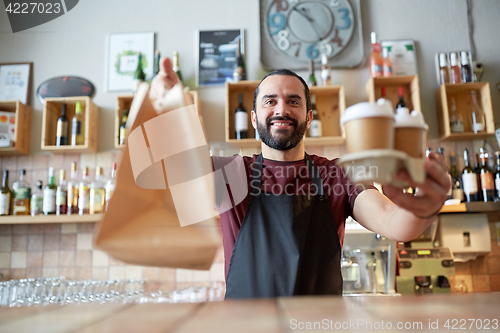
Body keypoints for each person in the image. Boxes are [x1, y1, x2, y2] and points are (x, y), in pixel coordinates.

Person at [150, 57, 450, 299]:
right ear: (254, 118)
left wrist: (423, 207)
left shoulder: (337, 175)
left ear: (308, 115)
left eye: (293, 101)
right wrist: (162, 109)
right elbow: (159, 171)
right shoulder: (230, 173)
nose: (282, 109)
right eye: (270, 101)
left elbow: (393, 221)